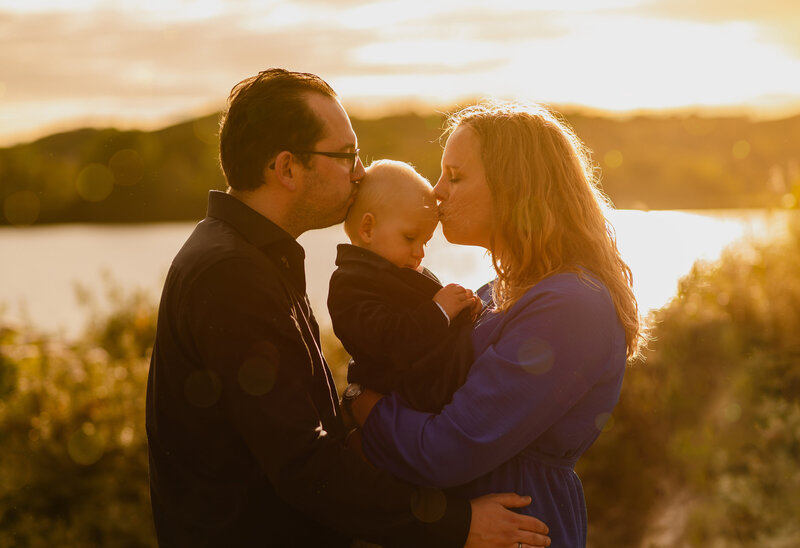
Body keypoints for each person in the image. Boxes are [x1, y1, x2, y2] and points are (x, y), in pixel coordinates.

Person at [145, 69, 551, 547]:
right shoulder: (230, 274)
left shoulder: (246, 256)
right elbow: (302, 463)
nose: (360, 171)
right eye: (346, 156)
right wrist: (454, 524)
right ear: (287, 169)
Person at [348, 102, 641, 548]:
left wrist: (364, 407)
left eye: (456, 176)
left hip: (523, 528)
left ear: (515, 188)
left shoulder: (570, 307)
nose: (436, 191)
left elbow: (447, 449)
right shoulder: (494, 293)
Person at [328, 159, 478, 413]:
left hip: (429, 396)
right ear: (368, 228)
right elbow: (388, 341)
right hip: (402, 405)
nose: (419, 252)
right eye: (410, 238)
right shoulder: (350, 285)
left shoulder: (400, 269)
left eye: (426, 242)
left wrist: (462, 308)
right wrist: (439, 311)